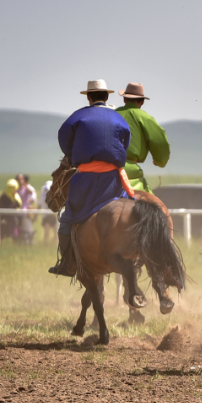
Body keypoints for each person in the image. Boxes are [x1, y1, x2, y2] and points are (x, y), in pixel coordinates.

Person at [49, 80, 132, 276]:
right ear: (107, 97)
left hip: (86, 179)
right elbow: (125, 141)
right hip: (113, 179)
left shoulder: (78, 116)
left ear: (88, 97)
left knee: (67, 218)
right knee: (130, 212)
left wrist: (74, 154)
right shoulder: (118, 118)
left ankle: (67, 262)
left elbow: (63, 137)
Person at [115, 82, 171, 192]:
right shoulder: (146, 118)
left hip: (104, 168)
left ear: (124, 99)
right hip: (130, 172)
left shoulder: (112, 114)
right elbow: (160, 141)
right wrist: (160, 161)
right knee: (155, 207)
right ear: (142, 102)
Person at [0, 179, 23, 243]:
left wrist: (13, 197)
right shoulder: (4, 196)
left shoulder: (15, 196)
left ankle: (16, 241)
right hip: (5, 217)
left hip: (13, 217)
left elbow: (18, 205)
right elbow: (1, 207)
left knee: (15, 227)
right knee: (3, 231)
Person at [40, 179, 58, 243]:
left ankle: (54, 244)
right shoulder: (43, 196)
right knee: (46, 231)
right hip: (47, 216)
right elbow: (39, 205)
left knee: (56, 231)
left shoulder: (56, 196)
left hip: (54, 216)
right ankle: (46, 243)